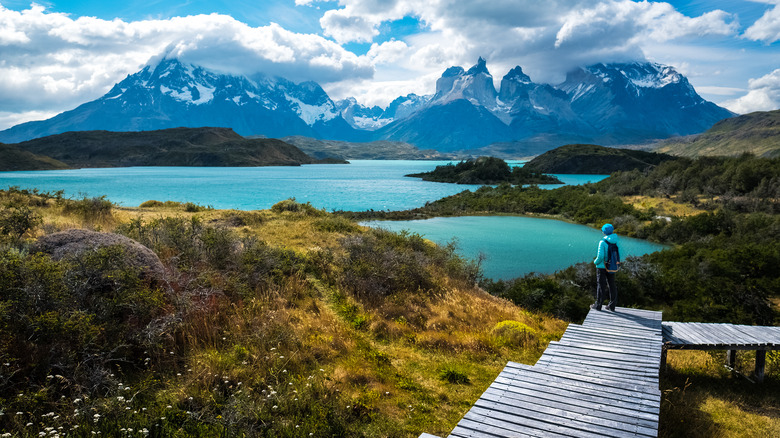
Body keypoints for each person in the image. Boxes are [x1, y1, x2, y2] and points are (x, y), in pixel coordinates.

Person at [591, 223, 618, 311]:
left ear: (604, 232)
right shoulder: (615, 241)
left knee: (601, 285)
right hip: (612, 266)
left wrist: (595, 262)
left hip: (602, 267)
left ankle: (598, 305)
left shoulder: (602, 242)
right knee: (612, 285)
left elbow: (600, 256)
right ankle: (612, 305)